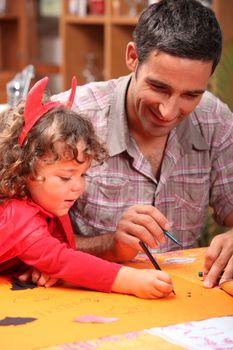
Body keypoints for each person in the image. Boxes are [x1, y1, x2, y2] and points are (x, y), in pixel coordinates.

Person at [53, 0, 233, 289]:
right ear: (132, 57)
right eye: (159, 87)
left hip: (181, 301)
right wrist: (110, 246)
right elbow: (23, 242)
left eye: (190, 95)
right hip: (83, 298)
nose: (168, 112)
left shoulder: (215, 120)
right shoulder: (67, 118)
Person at [0, 76, 174, 299]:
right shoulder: (18, 216)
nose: (78, 187)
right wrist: (131, 280)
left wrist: (43, 266)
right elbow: (62, 259)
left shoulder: (49, 202)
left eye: (82, 174)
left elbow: (55, 255)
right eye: (65, 177)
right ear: (24, 170)